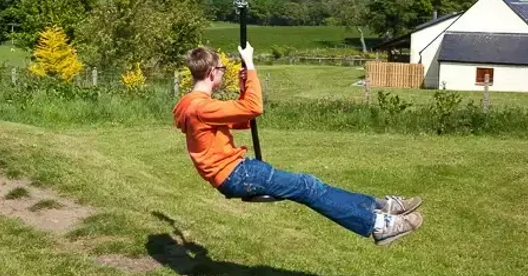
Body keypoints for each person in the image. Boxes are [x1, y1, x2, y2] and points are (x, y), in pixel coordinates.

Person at [172, 43, 423, 246]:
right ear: (212, 72)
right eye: (223, 69)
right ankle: (380, 226)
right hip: (237, 174)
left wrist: (243, 87)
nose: (223, 73)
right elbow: (254, 108)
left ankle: (379, 207)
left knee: (311, 184)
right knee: (308, 187)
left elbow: (243, 120)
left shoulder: (190, 104)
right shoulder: (201, 106)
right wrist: (250, 65)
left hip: (234, 173)